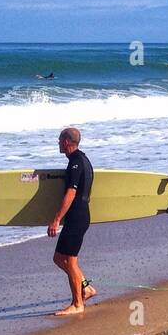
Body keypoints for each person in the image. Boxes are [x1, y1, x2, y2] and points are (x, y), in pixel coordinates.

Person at [48, 126, 97, 316]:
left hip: (77, 216)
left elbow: (71, 192)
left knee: (70, 260)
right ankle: (86, 288)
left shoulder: (76, 162)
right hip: (79, 215)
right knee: (59, 258)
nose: (58, 143)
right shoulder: (82, 160)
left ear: (67, 142)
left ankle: (78, 304)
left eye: (60, 139)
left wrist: (56, 219)